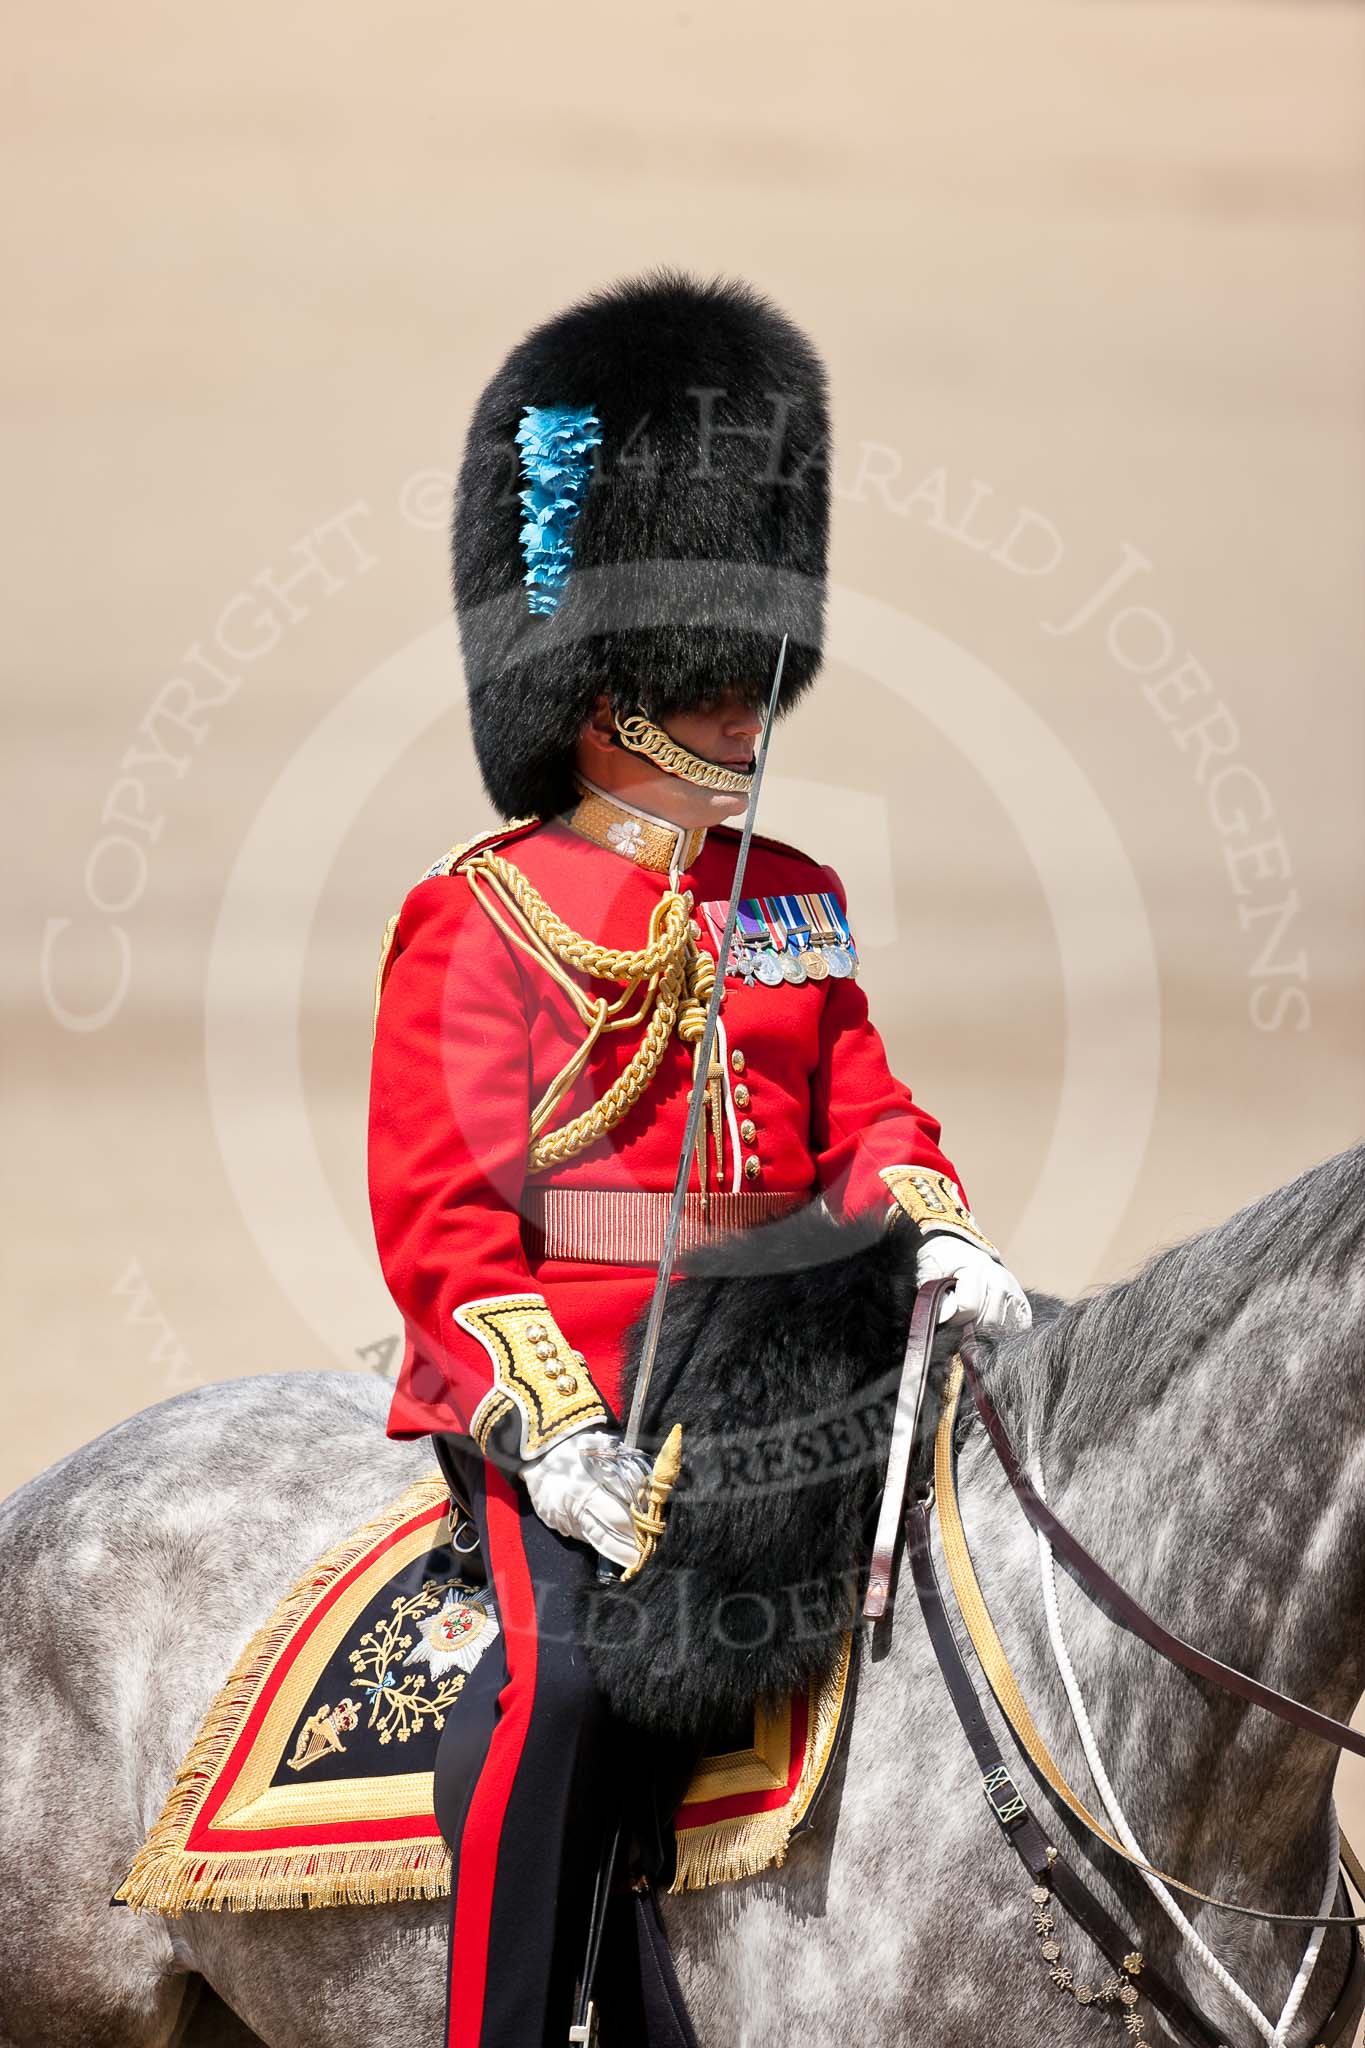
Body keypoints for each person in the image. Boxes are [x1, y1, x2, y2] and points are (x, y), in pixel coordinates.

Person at [367, 268, 1031, 2048]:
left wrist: (933, 1227)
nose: (749, 707)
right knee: (568, 1685)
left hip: (777, 1373)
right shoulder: (480, 913)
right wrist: (551, 1426)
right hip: (570, 1402)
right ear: (605, 690)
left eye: (756, 672)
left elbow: (867, 1112)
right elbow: (439, 1214)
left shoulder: (788, 900)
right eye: (712, 677)